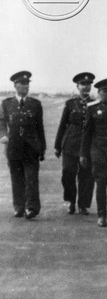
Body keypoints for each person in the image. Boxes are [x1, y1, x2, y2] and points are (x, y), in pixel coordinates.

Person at [80, 78, 107, 227]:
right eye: (105, 91)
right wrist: (83, 154)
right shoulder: (92, 108)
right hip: (99, 152)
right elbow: (87, 133)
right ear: (99, 93)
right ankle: (102, 215)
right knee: (101, 184)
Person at [0, 71, 45, 219]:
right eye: (22, 84)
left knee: (31, 179)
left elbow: (40, 128)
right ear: (15, 85)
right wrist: (4, 135)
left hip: (31, 148)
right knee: (16, 178)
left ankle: (31, 208)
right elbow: (1, 122)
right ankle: (18, 207)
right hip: (13, 147)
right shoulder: (7, 104)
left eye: (27, 84)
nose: (26, 86)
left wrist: (42, 148)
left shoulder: (35, 104)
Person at [55, 72, 96, 215]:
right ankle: (71, 201)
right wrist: (57, 146)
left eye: (88, 85)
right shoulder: (70, 104)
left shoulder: (95, 104)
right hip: (70, 144)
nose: (86, 87)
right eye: (83, 85)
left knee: (86, 176)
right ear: (78, 86)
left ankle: (83, 205)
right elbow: (62, 125)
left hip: (88, 145)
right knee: (68, 173)